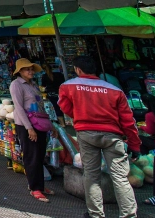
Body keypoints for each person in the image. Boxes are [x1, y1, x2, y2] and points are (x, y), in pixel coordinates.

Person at [58, 55, 139, 218]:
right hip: (113, 135)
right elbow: (128, 120)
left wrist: (81, 116)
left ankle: (95, 214)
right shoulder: (115, 90)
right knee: (120, 177)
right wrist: (134, 144)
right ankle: (129, 215)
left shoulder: (68, 86)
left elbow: (65, 107)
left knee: (91, 175)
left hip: (86, 134)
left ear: (77, 69)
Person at [10, 58, 53, 202]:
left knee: (40, 155)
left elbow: (41, 106)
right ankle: (35, 188)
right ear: (20, 71)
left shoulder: (33, 85)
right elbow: (19, 108)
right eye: (27, 69)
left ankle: (40, 185)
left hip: (39, 123)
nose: (31, 71)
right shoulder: (16, 85)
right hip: (26, 125)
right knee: (31, 156)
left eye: (31, 69)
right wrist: (29, 128)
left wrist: (51, 125)